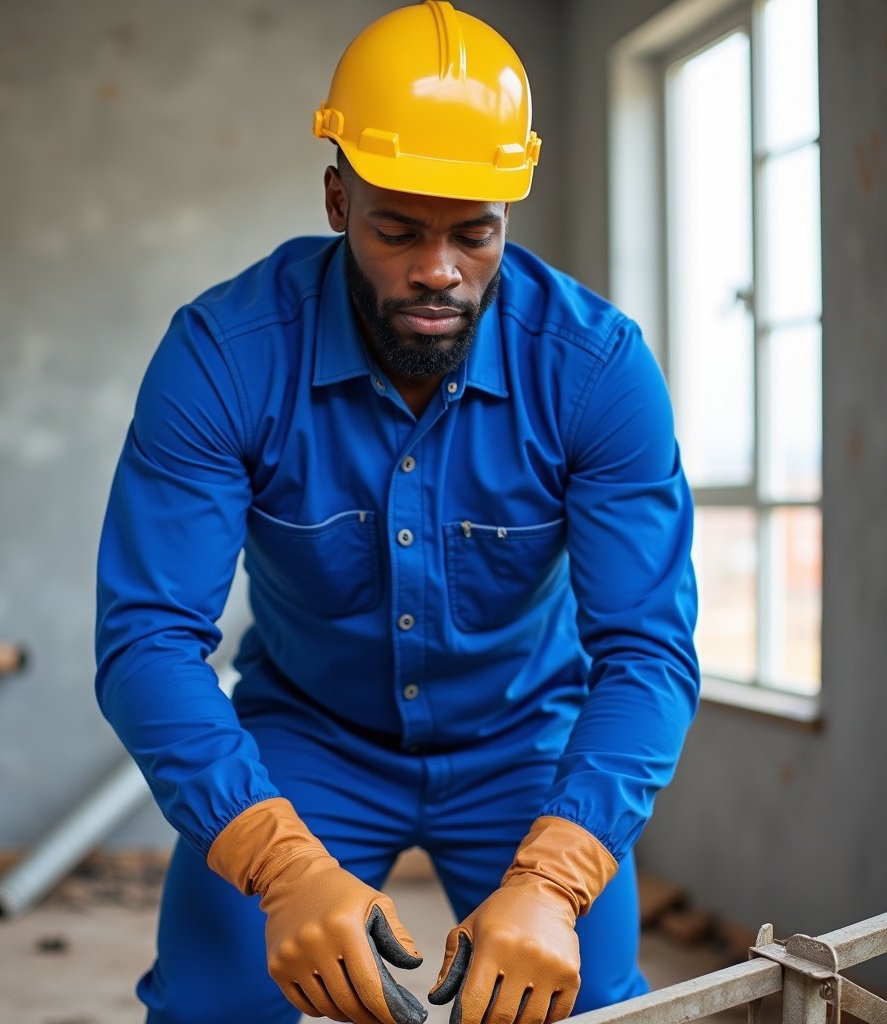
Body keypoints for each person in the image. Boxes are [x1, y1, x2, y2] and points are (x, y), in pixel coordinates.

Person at [95, 3, 700, 1023]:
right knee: (213, 1004)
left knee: (591, 1006)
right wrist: (279, 864)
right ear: (338, 198)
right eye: (398, 230)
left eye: (475, 235)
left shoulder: (596, 370)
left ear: (509, 211)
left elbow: (647, 648)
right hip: (307, 738)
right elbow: (148, 641)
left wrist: (553, 881)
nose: (439, 271)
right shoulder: (223, 357)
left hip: (528, 742)